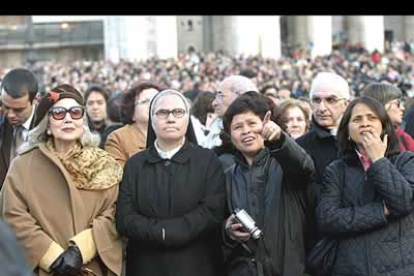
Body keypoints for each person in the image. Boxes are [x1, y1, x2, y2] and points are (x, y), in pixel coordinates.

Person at [1, 84, 123, 276]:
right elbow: (12, 215)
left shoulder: (104, 164)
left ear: (83, 121)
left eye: (75, 112)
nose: (68, 118)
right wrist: (53, 257)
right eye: (58, 113)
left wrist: (80, 250)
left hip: (90, 268)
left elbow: (114, 213)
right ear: (47, 124)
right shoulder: (23, 166)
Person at [115, 89, 226, 276]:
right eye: (162, 113)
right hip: (146, 265)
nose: (171, 118)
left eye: (178, 112)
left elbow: (212, 212)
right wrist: (160, 232)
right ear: (152, 119)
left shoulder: (207, 161)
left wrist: (172, 231)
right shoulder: (135, 164)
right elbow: (125, 217)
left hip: (197, 264)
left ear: (187, 118)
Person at [316, 96, 414, 276]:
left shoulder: (406, 161)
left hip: (399, 267)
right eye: (357, 119)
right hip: (352, 268)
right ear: (347, 131)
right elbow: (328, 219)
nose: (365, 123)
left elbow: (402, 202)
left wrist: (378, 160)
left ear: (384, 126)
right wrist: (381, 211)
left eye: (372, 118)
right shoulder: (337, 170)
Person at [222, 95, 315, 276]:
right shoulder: (227, 177)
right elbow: (216, 226)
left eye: (252, 123)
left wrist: (280, 139)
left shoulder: (285, 164)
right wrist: (226, 229)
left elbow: (305, 166)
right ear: (230, 135)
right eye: (238, 127)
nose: (246, 131)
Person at [297, 72, 351, 192]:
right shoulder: (300, 147)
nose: (322, 108)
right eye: (316, 100)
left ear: (346, 104)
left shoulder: (362, 140)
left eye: (330, 100)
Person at [105, 82, 162, 167]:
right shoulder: (118, 139)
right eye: (145, 101)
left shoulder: (175, 132)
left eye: (157, 100)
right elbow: (118, 176)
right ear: (132, 112)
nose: (153, 104)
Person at [0, 67, 38, 187]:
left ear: (35, 100)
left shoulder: (51, 128)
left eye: (18, 110)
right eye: (5, 106)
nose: (10, 115)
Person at [203, 75, 258, 149]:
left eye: (220, 95)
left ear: (239, 95)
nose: (214, 103)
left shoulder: (257, 131)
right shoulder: (216, 125)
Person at [362, 82, 414, 151]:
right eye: (397, 104)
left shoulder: (404, 138)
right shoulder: (361, 140)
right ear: (380, 106)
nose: (402, 108)